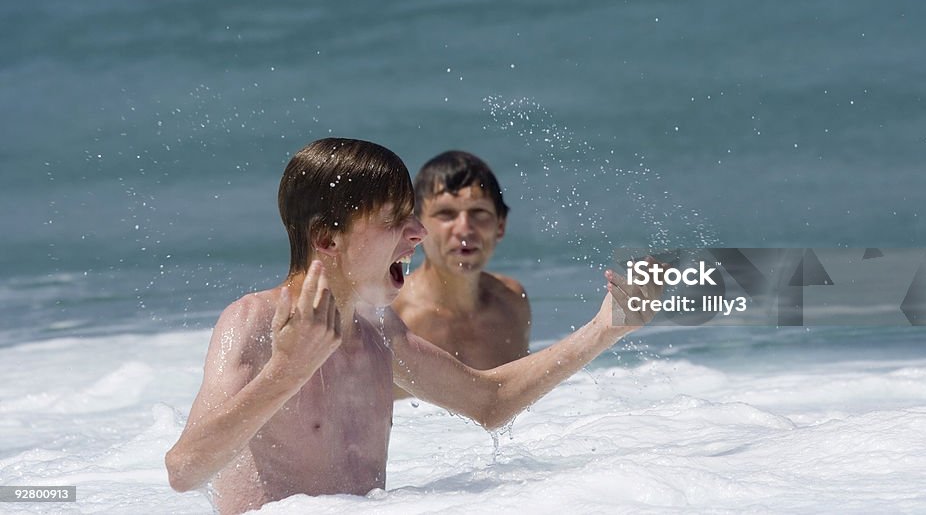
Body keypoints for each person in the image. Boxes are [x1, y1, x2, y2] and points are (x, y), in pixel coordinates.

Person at [164, 138, 657, 515]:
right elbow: (185, 470)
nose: (418, 233)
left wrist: (605, 327)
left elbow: (490, 402)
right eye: (394, 221)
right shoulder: (253, 322)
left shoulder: (379, 329)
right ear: (327, 239)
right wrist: (287, 371)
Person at [391, 151, 529, 400]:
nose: (465, 228)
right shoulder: (390, 314)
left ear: (500, 225)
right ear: (415, 227)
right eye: (446, 213)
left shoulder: (512, 301)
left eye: (479, 212)